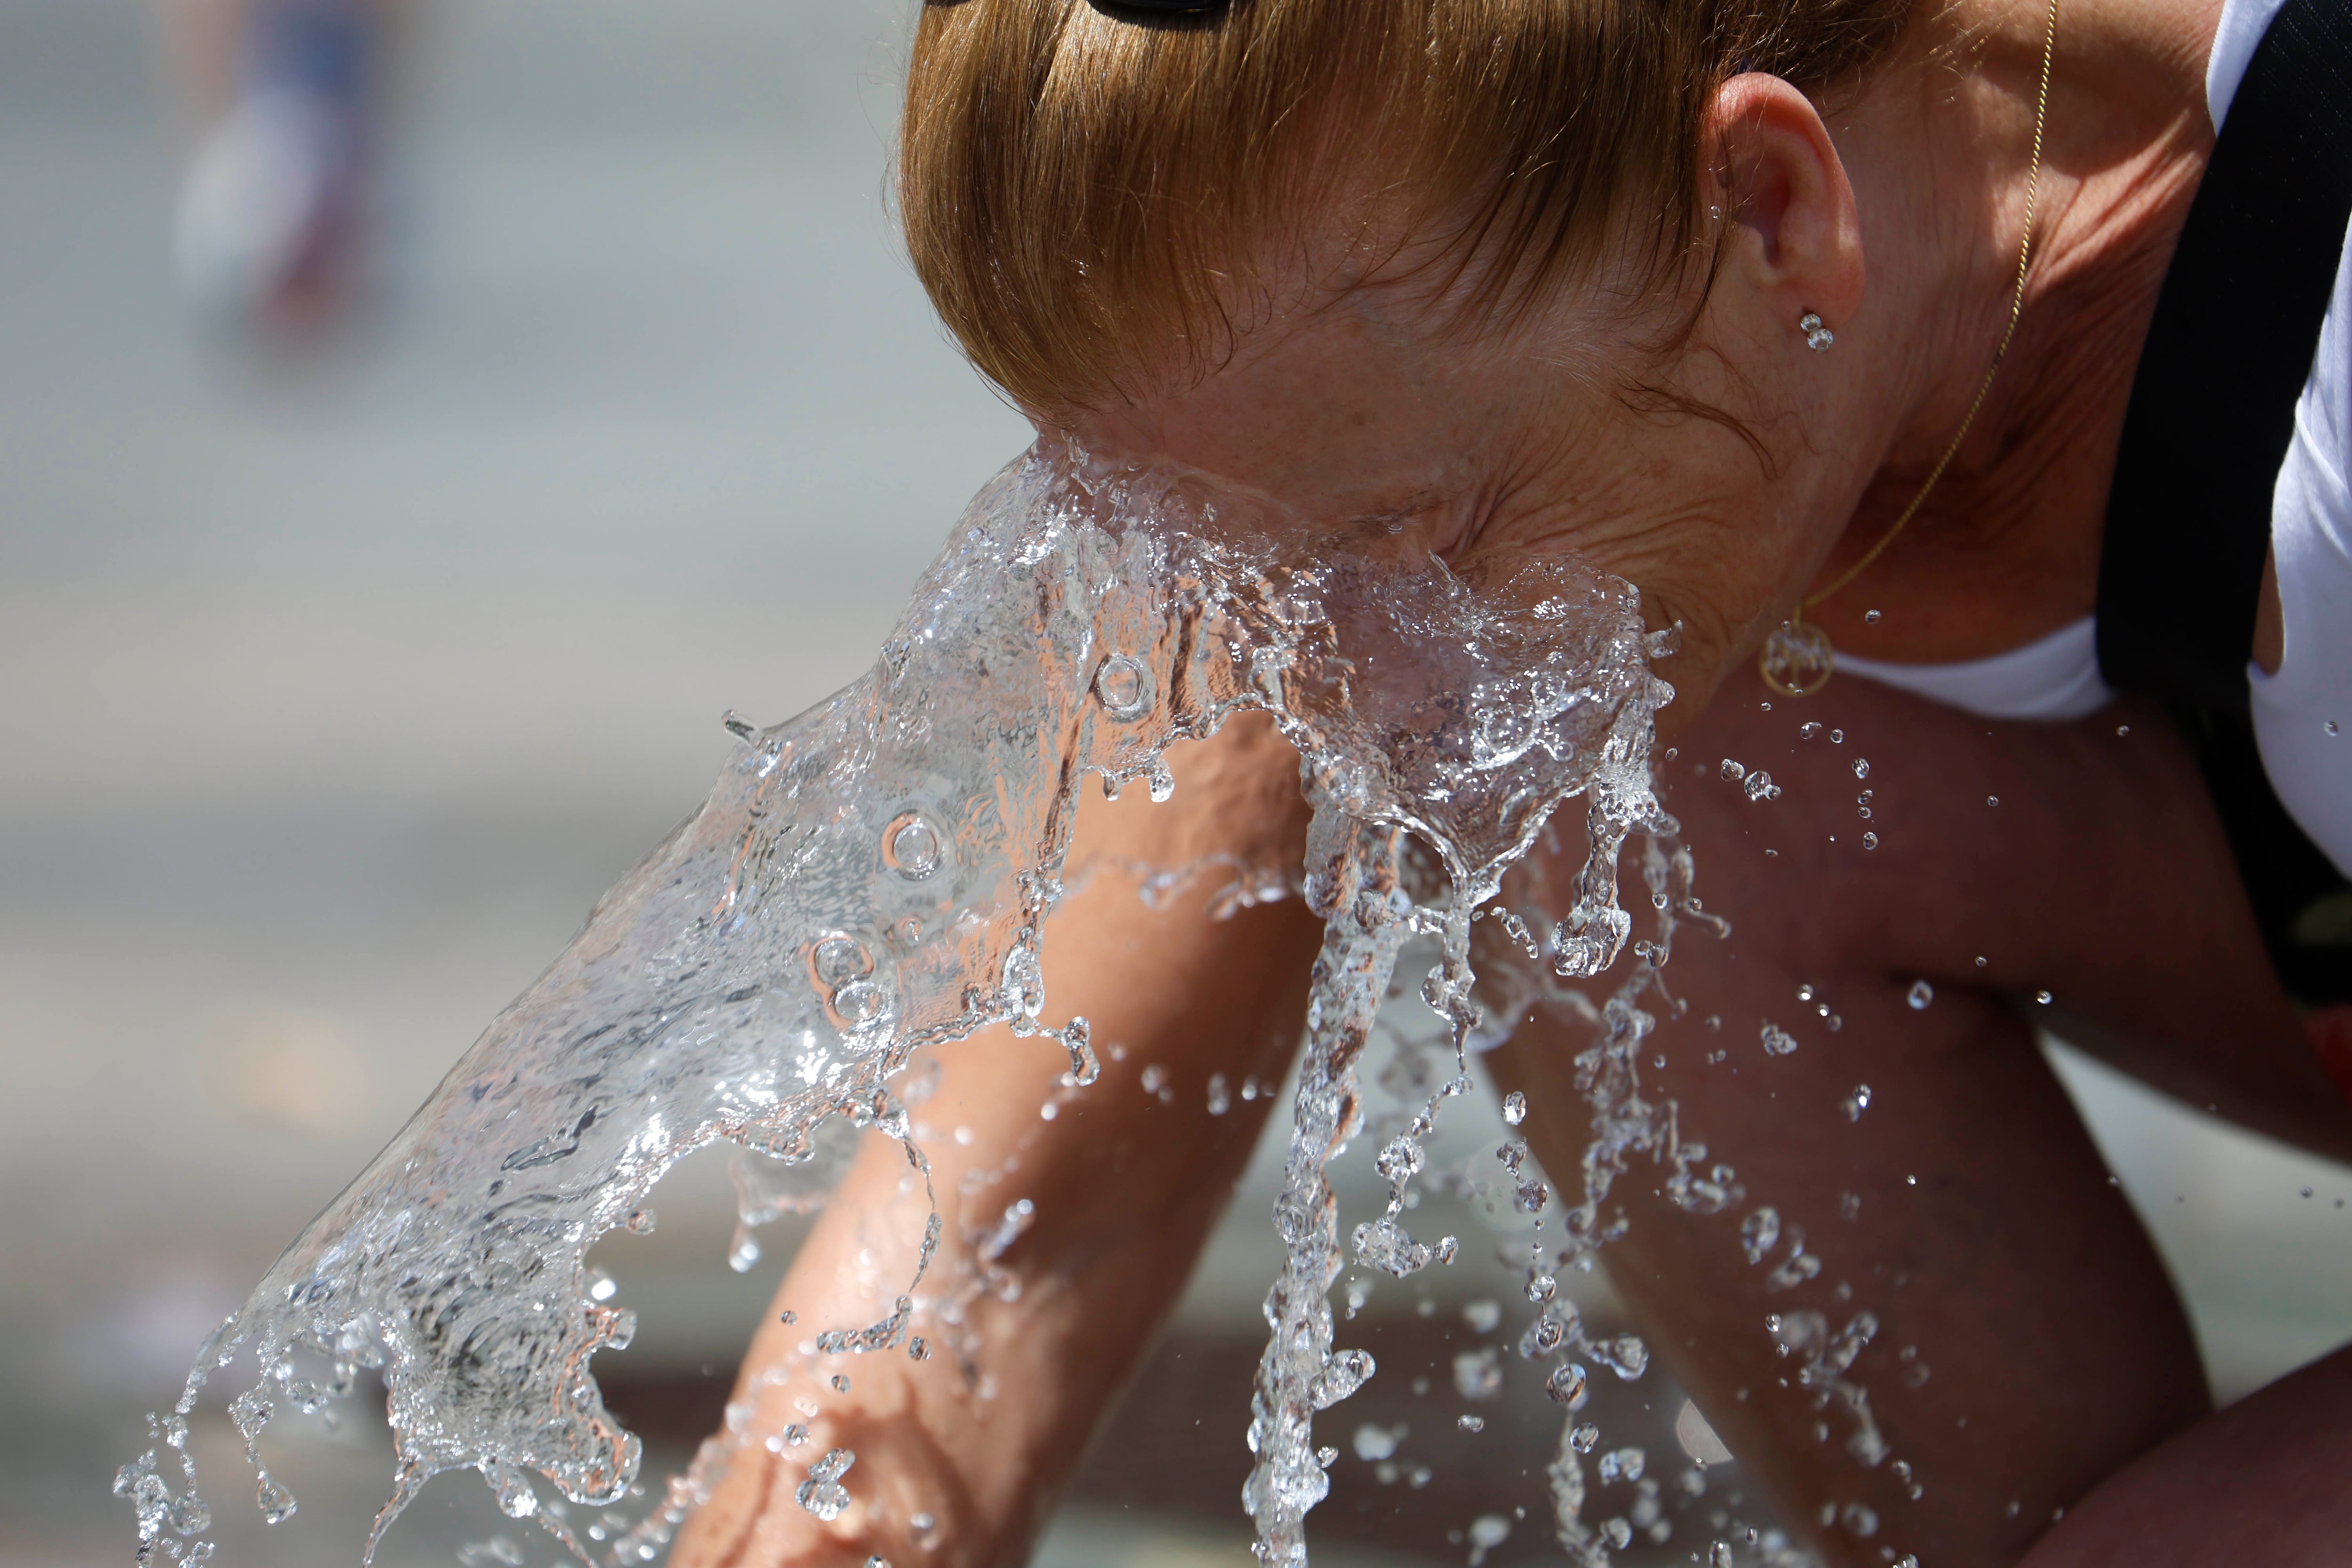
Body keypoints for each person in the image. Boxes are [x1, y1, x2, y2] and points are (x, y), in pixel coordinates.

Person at [672, 0, 2352, 1563]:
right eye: (1246, 589)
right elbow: (991, 1273)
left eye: (1418, 547)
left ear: (1772, 207)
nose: (1348, 707)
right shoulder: (1387, 361)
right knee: (1595, 806)